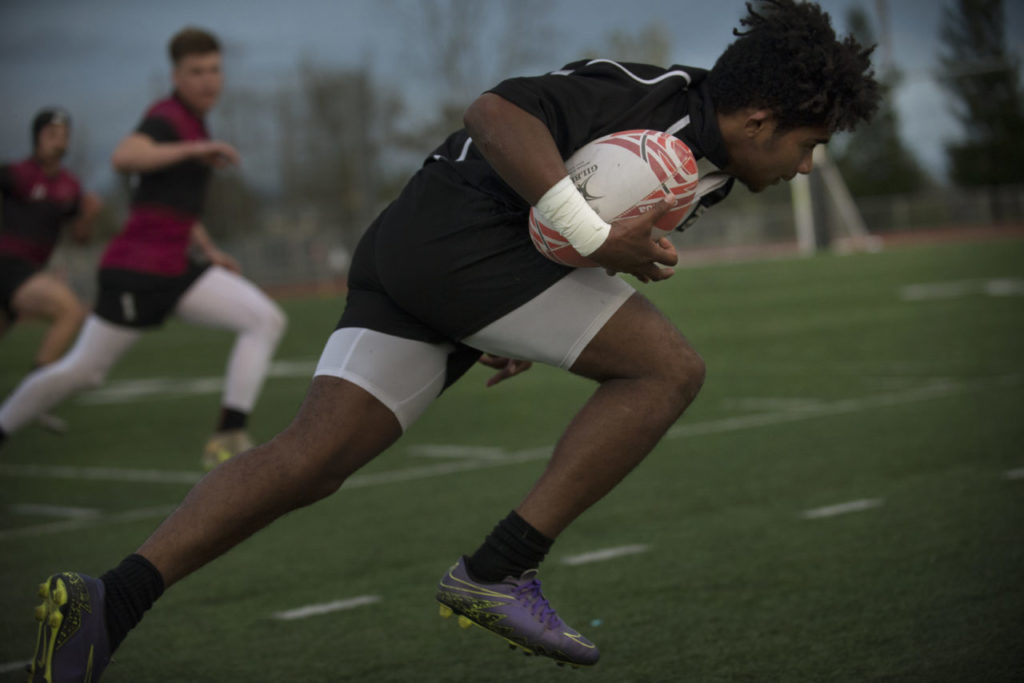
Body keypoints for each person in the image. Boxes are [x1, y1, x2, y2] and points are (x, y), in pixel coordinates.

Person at [25, 2, 880, 680]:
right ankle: (500, 568)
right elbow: (497, 112)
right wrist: (581, 244)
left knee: (312, 456)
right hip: (459, 244)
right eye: (810, 145)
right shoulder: (653, 98)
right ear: (763, 119)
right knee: (670, 371)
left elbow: (577, 213)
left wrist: (544, 299)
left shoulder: (717, 162)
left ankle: (110, 601)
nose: (809, 166)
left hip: (425, 247)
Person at [0, 27, 286, 469]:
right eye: (196, 71)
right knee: (85, 371)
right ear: (176, 75)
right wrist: (197, 147)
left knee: (264, 319)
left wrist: (208, 250)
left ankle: (227, 437)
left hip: (178, 265)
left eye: (214, 70)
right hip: (138, 269)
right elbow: (125, 156)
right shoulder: (167, 116)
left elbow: (172, 207)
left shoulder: (194, 122)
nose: (208, 80)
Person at [0, 108, 102, 432]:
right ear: (37, 137)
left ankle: (27, 402)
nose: (59, 140)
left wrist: (87, 217)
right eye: (51, 134)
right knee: (70, 309)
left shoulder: (70, 186)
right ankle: (33, 398)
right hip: (7, 266)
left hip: (30, 271)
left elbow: (81, 238)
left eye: (64, 135)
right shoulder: (16, 173)